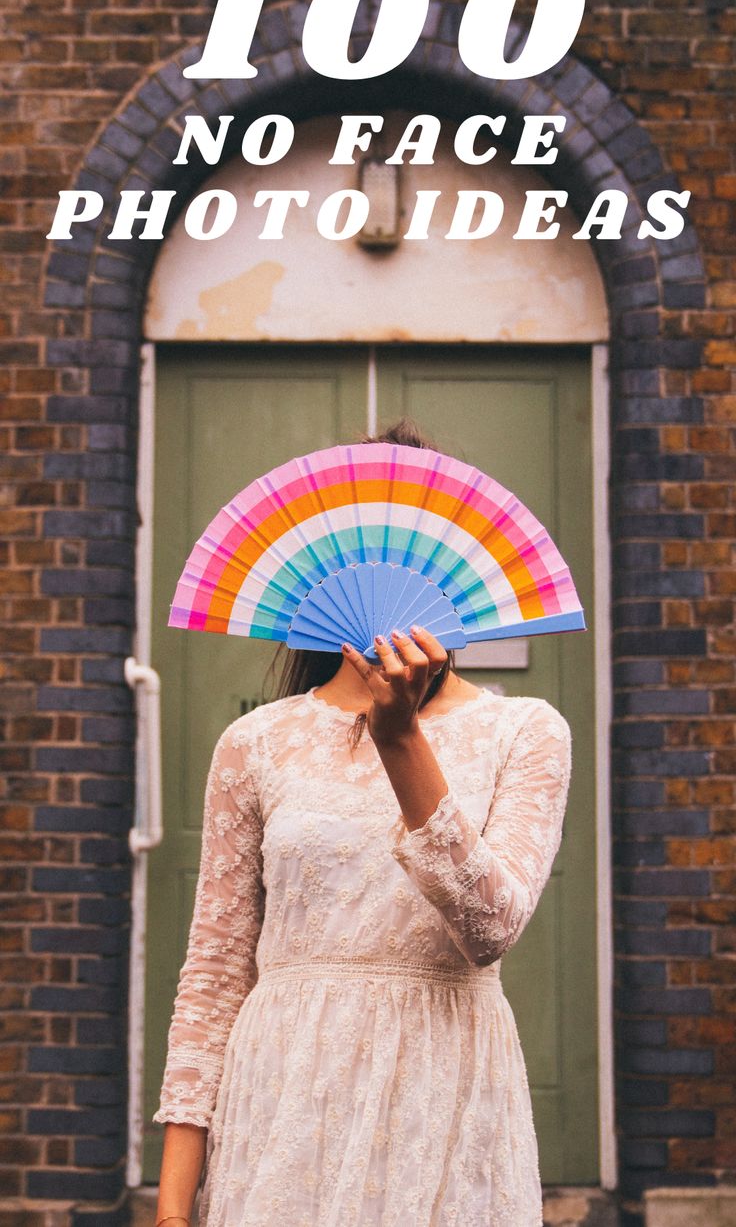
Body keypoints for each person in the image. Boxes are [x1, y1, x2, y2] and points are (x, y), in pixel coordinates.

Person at [152, 420, 573, 1227]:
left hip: (443, 1088)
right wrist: (174, 1206)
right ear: (325, 569)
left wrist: (402, 740)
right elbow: (212, 974)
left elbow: (492, 925)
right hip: (284, 1090)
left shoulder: (527, 730)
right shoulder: (256, 742)